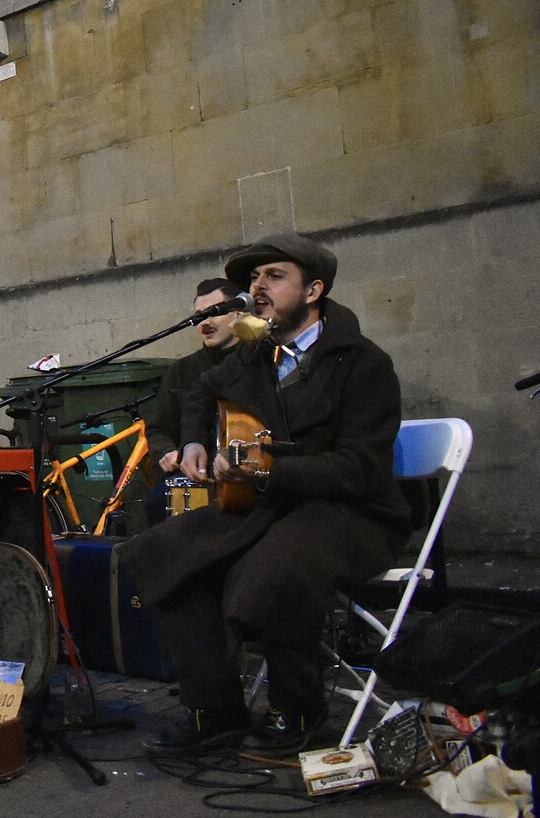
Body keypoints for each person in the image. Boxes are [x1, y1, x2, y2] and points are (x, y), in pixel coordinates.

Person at [117, 234, 410, 758]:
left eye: (274, 276)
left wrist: (267, 472)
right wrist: (191, 442)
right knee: (167, 550)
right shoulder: (256, 357)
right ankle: (216, 712)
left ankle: (298, 712)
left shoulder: (363, 363)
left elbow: (361, 468)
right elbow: (202, 389)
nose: (257, 288)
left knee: (276, 566)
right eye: (254, 279)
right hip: (270, 506)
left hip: (352, 513)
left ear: (314, 289)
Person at [146, 277, 244, 474]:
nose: (205, 323)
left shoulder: (258, 360)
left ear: (238, 314)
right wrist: (169, 451)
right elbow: (158, 429)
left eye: (214, 313)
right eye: (200, 316)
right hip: (194, 475)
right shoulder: (181, 370)